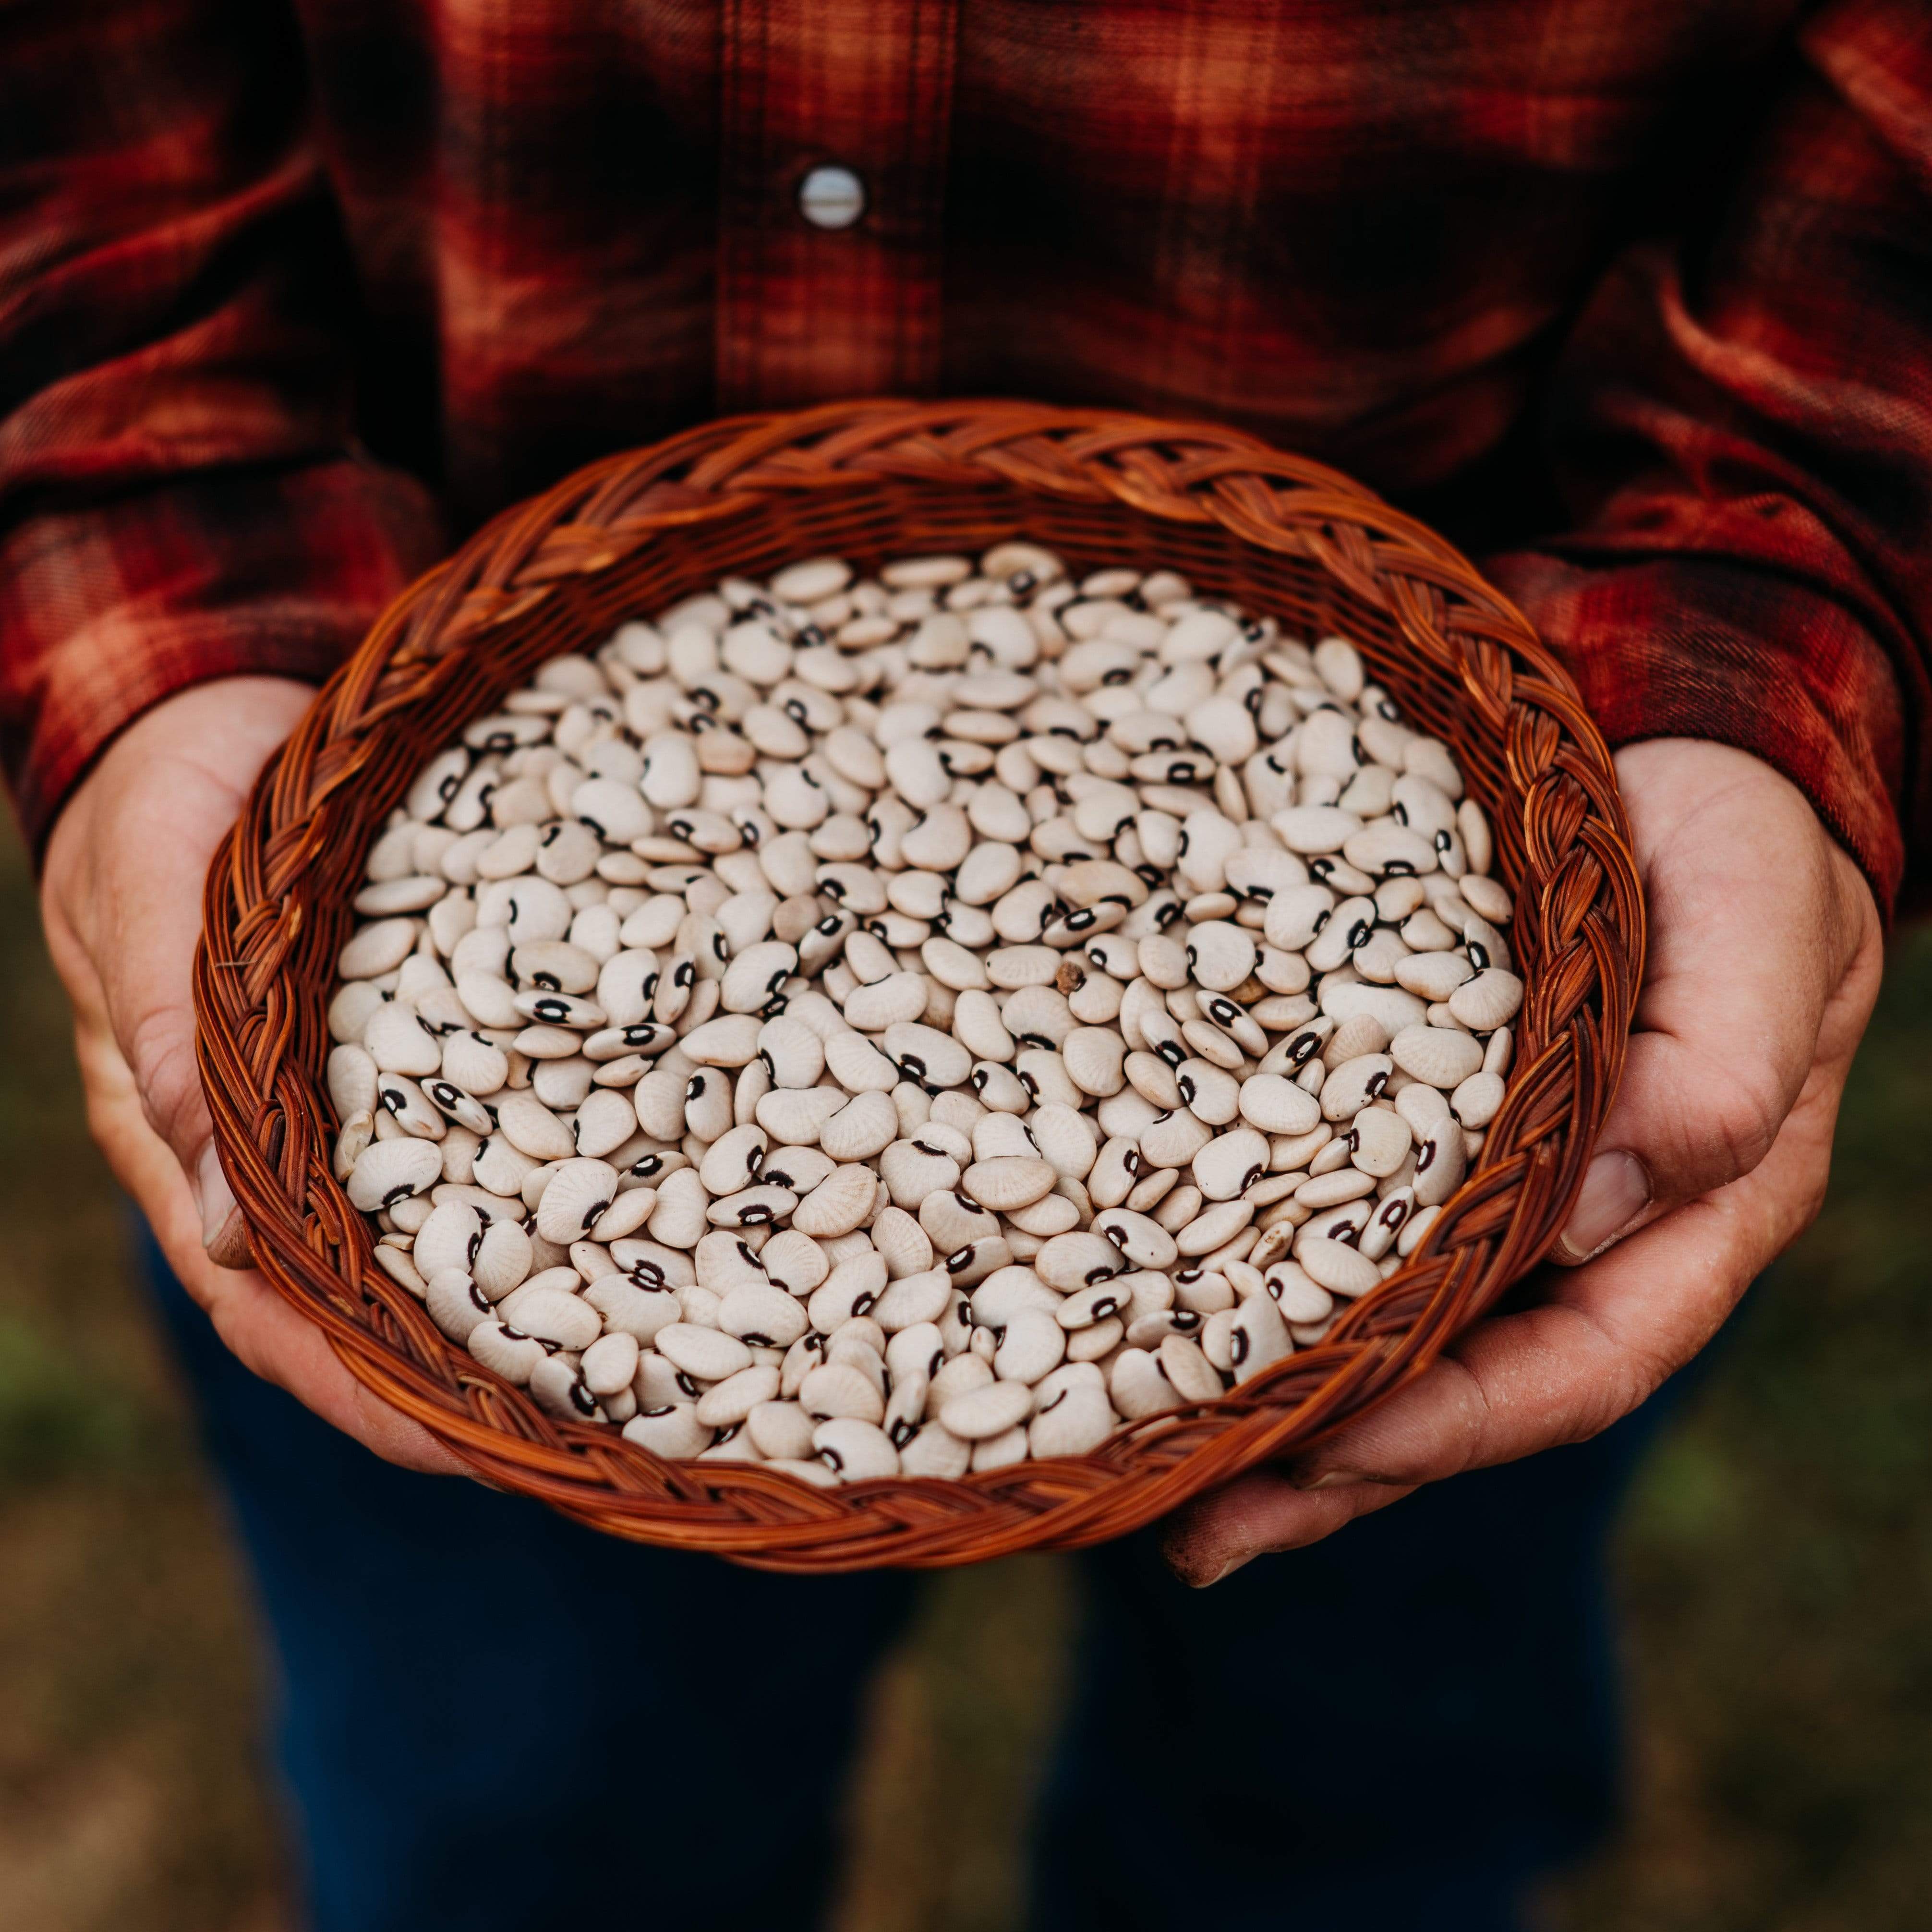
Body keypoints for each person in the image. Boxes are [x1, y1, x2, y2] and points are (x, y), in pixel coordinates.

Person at [5, 2, 1918, 1926]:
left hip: (1529, 871)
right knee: (520, 1823)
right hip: (408, 681)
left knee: (1352, 1789)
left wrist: (1768, 614)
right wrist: (173, 569)